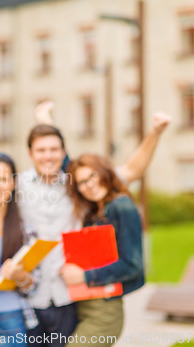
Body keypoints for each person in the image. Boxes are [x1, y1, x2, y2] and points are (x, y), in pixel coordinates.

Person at [16, 106, 170, 347]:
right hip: (51, 299)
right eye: (41, 150)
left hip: (86, 300)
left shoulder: (101, 196)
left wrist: (156, 132)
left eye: (54, 150)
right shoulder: (27, 186)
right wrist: (45, 119)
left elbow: (132, 169)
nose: (88, 184)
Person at [61, 153, 145, 346]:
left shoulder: (121, 206)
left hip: (104, 310)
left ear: (104, 173)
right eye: (81, 182)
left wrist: (84, 276)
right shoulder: (95, 210)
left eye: (92, 176)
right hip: (84, 305)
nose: (89, 185)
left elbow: (132, 265)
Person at [0, 152, 39, 347]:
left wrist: (20, 276)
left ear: (13, 183)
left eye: (3, 179)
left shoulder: (24, 229)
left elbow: (35, 284)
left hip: (8, 317)